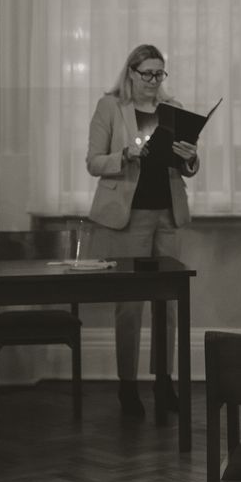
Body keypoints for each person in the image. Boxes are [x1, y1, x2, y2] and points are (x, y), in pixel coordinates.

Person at [86, 44, 199, 418]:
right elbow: (93, 162)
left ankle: (164, 383)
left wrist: (190, 158)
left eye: (159, 74)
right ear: (131, 72)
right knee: (130, 306)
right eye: (147, 73)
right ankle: (127, 387)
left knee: (168, 304)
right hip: (127, 217)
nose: (154, 81)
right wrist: (125, 156)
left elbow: (189, 163)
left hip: (167, 214)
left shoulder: (174, 109)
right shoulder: (110, 107)